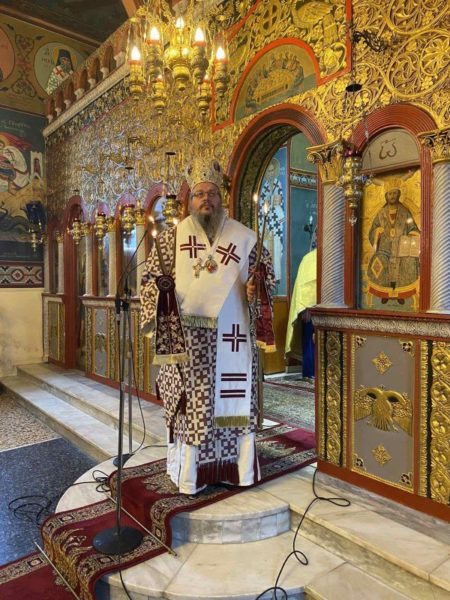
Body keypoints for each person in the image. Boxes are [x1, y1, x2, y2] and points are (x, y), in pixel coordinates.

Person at [140, 159, 275, 495]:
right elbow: (149, 281)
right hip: (189, 345)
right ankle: (192, 474)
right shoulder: (171, 239)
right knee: (194, 408)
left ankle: (235, 470)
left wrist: (255, 288)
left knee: (231, 403)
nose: (206, 200)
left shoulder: (245, 238)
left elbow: (266, 278)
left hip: (233, 337)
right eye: (199, 193)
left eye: (212, 193)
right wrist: (162, 297)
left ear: (221, 198)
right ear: (190, 200)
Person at [367, 185, 419, 305]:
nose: (392, 196)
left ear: (399, 195)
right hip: (384, 248)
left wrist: (413, 233)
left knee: (408, 261)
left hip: (401, 248)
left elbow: (412, 227)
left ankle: (401, 292)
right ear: (386, 196)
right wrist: (377, 231)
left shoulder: (405, 212)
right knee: (380, 260)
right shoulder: (381, 213)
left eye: (395, 193)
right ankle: (384, 292)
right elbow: (372, 230)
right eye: (390, 194)